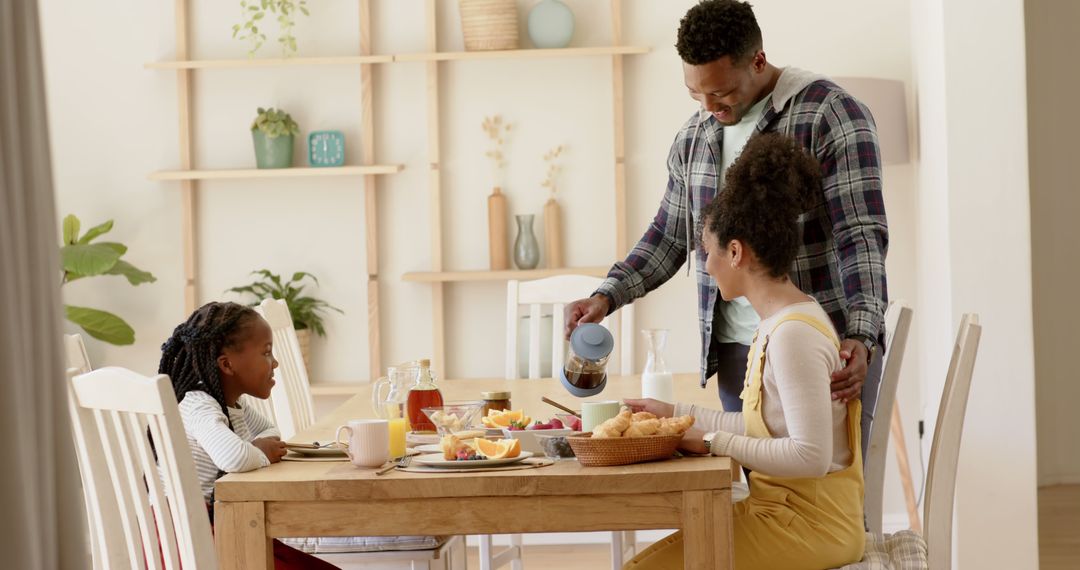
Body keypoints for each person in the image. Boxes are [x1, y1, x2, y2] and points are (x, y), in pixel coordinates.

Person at [564, 0, 888, 457]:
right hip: (742, 352)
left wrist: (861, 333)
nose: (708, 106)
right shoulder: (694, 138)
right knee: (756, 494)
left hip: (827, 352)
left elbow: (861, 234)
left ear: (757, 60)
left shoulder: (828, 114)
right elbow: (669, 234)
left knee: (831, 494)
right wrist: (606, 296)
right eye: (695, 93)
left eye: (721, 92)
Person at [625, 133, 865, 569]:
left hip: (811, 526)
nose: (705, 263)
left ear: (735, 252)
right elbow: (764, 425)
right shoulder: (779, 322)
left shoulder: (793, 335)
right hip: (784, 516)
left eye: (707, 252)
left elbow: (809, 457)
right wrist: (675, 413)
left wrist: (713, 442)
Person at [159, 301, 339, 570]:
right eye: (266, 352)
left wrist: (255, 446)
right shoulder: (198, 404)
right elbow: (233, 457)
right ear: (227, 364)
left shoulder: (231, 404)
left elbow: (271, 432)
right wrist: (260, 451)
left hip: (218, 523)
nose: (275, 362)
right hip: (191, 538)